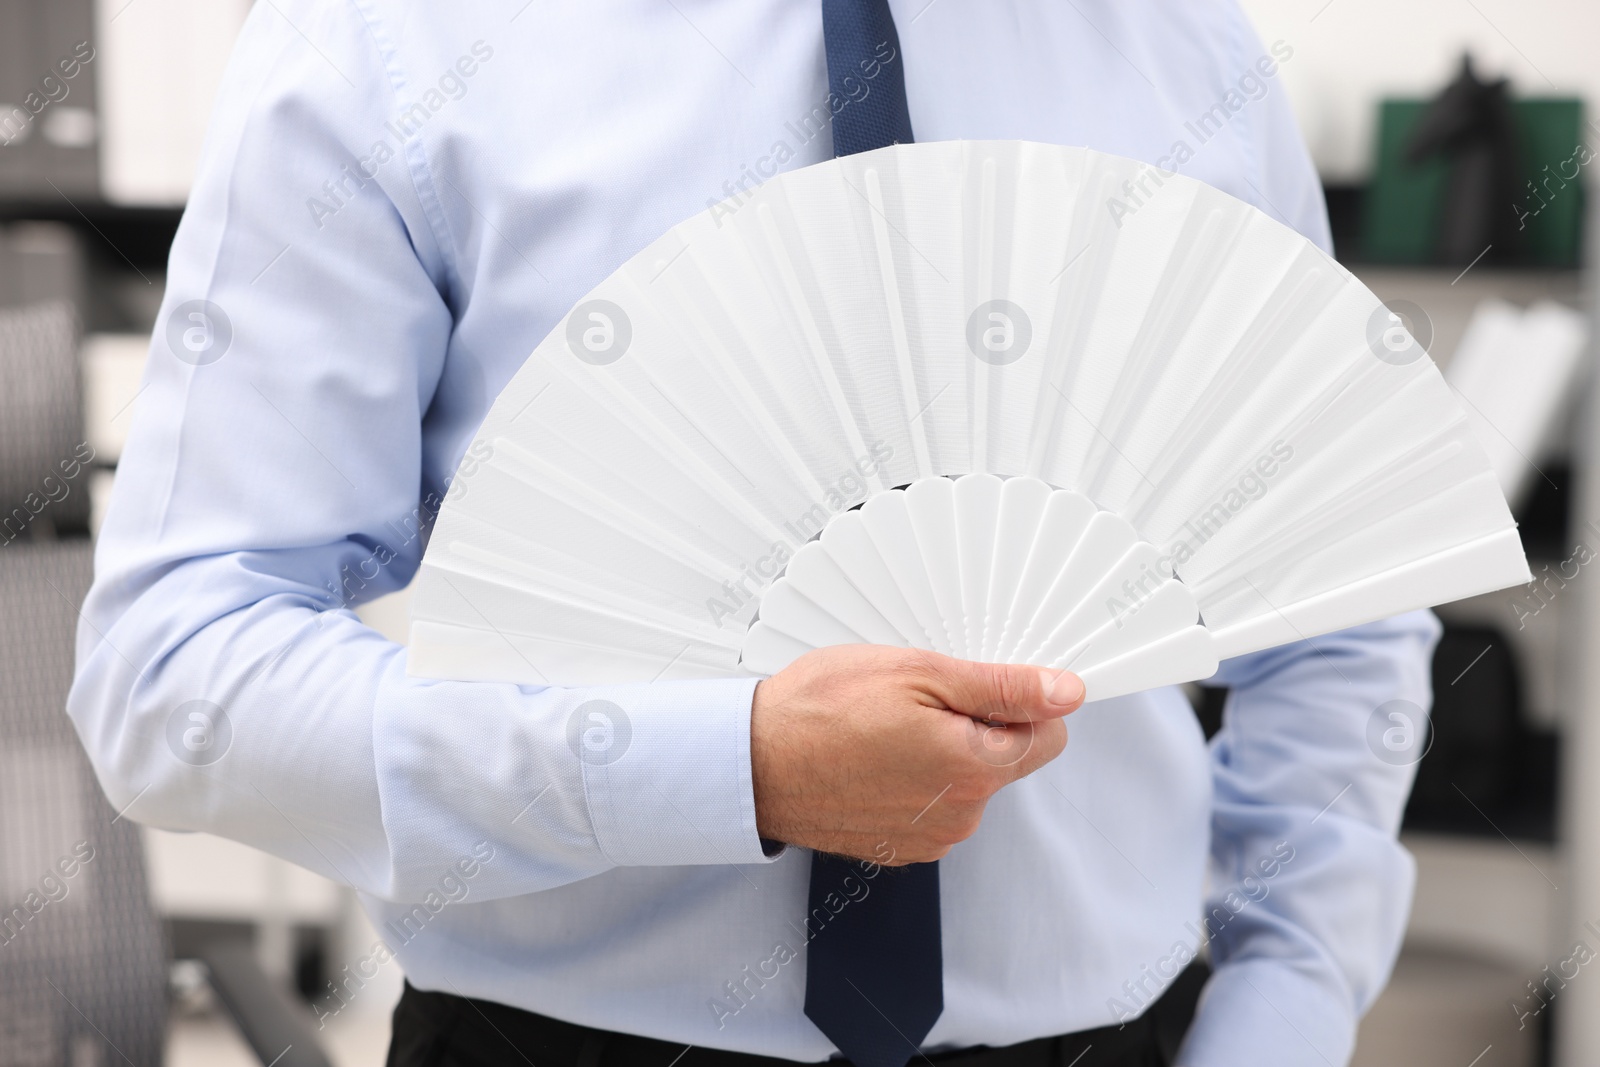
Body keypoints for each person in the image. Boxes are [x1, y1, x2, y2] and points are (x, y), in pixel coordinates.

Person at [68, 2, 1439, 1066]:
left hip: (1122, 1037)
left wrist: (1285, 1003)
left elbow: (1338, 597)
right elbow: (174, 677)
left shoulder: (1184, 44)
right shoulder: (393, 38)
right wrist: (722, 768)